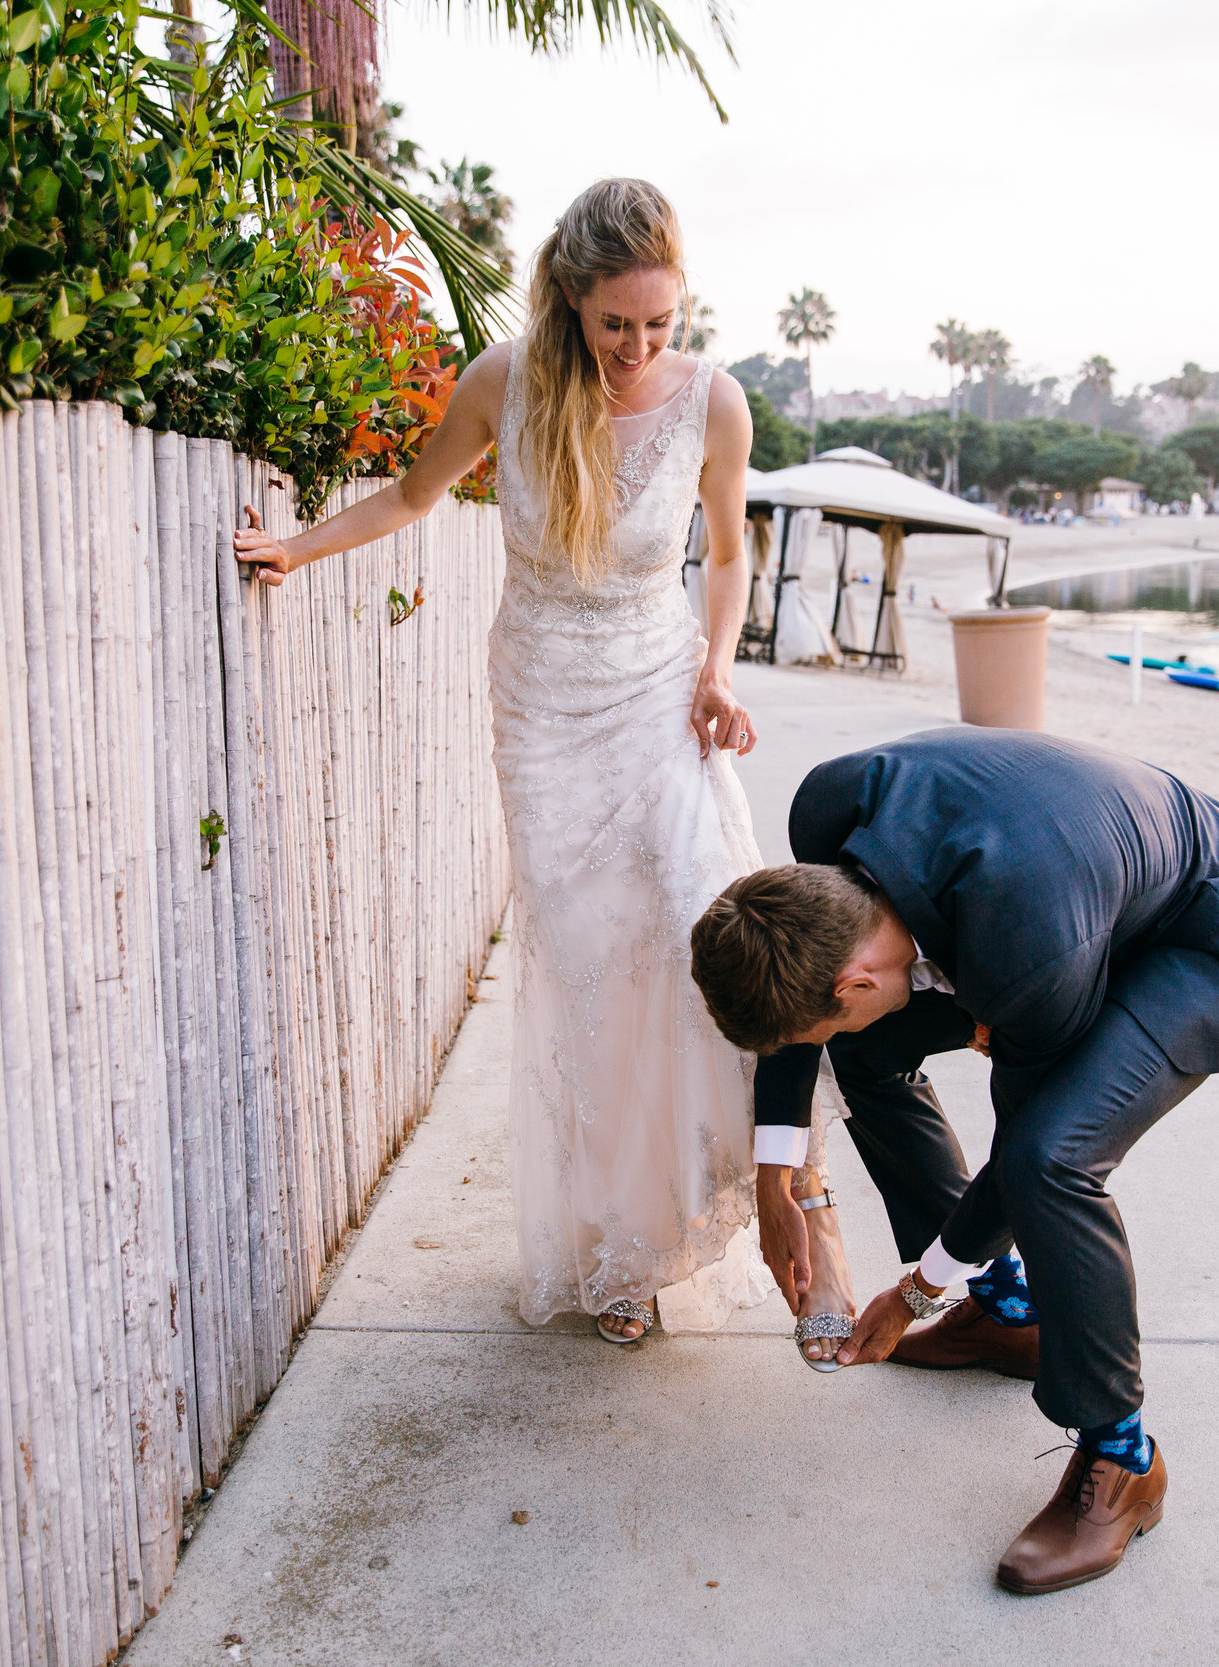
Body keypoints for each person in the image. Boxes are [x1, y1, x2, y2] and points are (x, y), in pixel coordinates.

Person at [232, 179, 814, 1347]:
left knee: (696, 923)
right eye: (616, 325)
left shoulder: (714, 402)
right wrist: (297, 547)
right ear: (569, 298)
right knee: (592, 969)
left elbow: (727, 557)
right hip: (544, 706)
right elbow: (410, 494)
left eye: (660, 323)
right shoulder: (504, 382)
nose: (639, 348)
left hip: (658, 691)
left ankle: (740, 1186)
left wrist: (719, 669)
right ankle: (616, 1248)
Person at [688, 727, 1219, 1593]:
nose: (826, 1033)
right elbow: (799, 1008)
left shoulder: (1027, 962)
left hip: (1218, 937)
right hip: (1054, 907)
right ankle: (1008, 1308)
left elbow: (1013, 1166)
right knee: (867, 1054)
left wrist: (916, 1290)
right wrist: (778, 1183)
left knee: (1051, 1158)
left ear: (856, 986)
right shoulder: (828, 812)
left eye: (831, 1017)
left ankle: (1124, 1456)